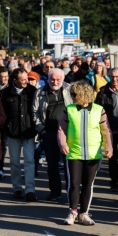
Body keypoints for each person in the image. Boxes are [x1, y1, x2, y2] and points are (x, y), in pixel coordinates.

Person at [58, 81, 113, 225]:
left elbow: (105, 131)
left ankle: (84, 213)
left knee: (88, 184)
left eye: (75, 94)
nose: (72, 96)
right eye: (72, 94)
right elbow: (61, 129)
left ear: (84, 94)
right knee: (74, 184)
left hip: (93, 154)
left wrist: (109, 147)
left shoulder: (99, 110)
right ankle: (72, 212)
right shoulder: (68, 109)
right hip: (74, 153)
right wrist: (63, 143)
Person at [32, 68, 73, 201]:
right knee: (52, 165)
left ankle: (71, 192)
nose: (55, 82)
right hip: (48, 133)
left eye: (58, 79)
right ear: (48, 78)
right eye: (52, 79)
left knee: (69, 165)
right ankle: (55, 192)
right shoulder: (40, 92)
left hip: (68, 134)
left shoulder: (70, 89)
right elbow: (35, 113)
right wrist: (41, 129)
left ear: (63, 79)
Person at [2, 68, 38, 202]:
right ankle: (17, 188)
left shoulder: (33, 92)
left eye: (27, 79)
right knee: (14, 162)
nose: (26, 82)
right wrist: (5, 127)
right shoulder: (5, 93)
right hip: (13, 133)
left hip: (29, 131)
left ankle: (30, 190)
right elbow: (2, 113)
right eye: (23, 80)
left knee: (29, 161)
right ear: (15, 80)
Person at [95, 68, 118, 190]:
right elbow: (97, 109)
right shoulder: (103, 92)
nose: (114, 79)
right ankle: (114, 180)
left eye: (117, 77)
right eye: (112, 76)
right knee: (112, 156)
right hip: (110, 128)